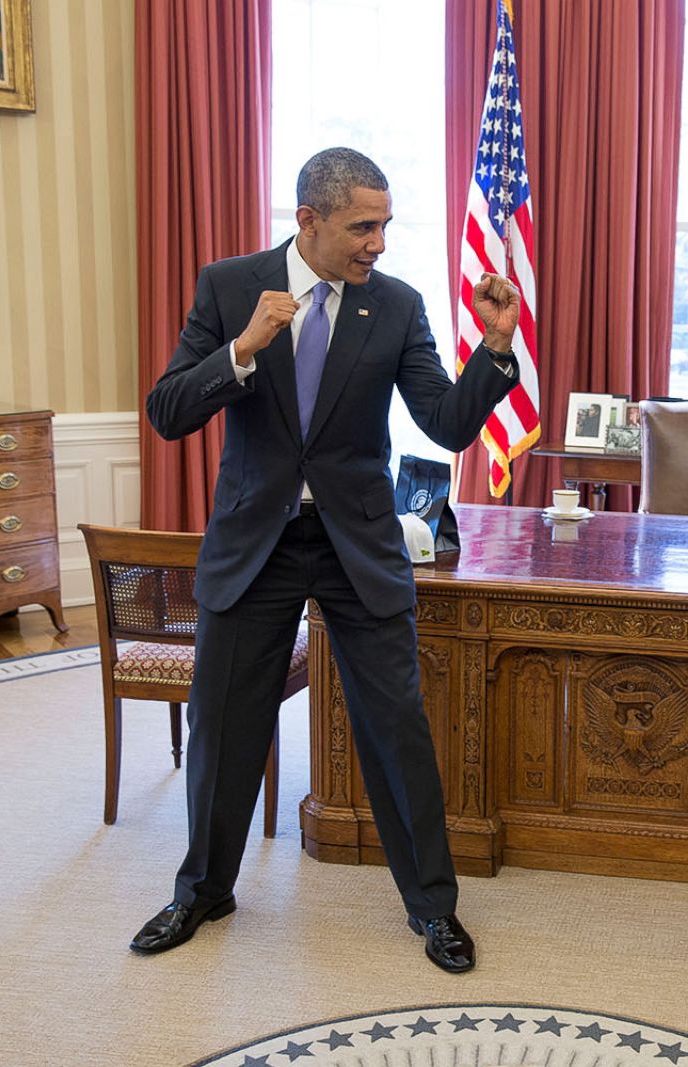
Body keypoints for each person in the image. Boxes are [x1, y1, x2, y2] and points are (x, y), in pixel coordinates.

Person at [134, 148, 523, 974]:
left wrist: (493, 352)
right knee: (224, 724)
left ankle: (433, 907)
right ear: (308, 220)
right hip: (256, 542)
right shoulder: (229, 286)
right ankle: (202, 888)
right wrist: (242, 348)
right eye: (362, 226)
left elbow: (446, 424)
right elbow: (167, 411)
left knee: (397, 726)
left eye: (384, 225)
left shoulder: (396, 305)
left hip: (356, 544)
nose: (378, 243)